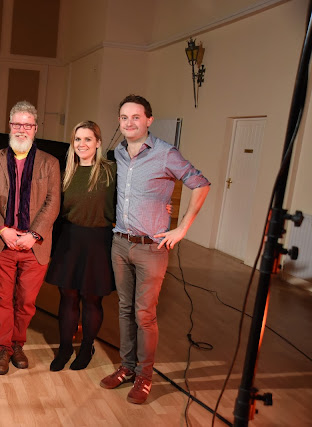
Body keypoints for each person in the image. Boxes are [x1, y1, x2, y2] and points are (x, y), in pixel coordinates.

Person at [99, 94, 210, 404]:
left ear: (148, 120)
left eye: (136, 117)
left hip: (152, 248)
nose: (129, 122)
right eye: (124, 117)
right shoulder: (118, 153)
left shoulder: (165, 154)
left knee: (145, 315)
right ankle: (127, 367)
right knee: (124, 309)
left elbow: (201, 184)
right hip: (120, 243)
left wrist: (183, 228)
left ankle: (145, 377)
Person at [0, 100, 61, 375]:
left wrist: (34, 234)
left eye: (27, 124)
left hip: (33, 245)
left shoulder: (50, 163)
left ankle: (18, 344)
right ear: (10, 126)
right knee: (2, 298)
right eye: (17, 124)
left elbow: (53, 202)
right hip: (2, 242)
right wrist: (3, 230)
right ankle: (3, 348)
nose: (22, 129)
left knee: (26, 301)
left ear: (35, 128)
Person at [45, 121, 116, 372]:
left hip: (98, 240)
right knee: (68, 296)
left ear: (98, 143)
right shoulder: (66, 171)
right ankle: (65, 348)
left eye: (88, 139)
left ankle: (86, 347)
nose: (82, 144)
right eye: (77, 139)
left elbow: (133, 196)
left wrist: (164, 206)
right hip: (70, 238)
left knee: (91, 298)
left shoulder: (111, 171)